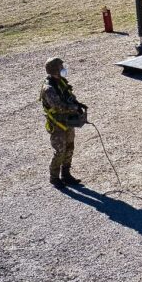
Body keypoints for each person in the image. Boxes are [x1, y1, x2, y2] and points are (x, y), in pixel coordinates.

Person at [40, 57, 87, 189]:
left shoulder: (61, 82)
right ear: (55, 70)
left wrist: (77, 104)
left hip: (68, 121)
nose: (63, 69)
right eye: (61, 67)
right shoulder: (48, 88)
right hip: (57, 124)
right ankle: (54, 177)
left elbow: (69, 96)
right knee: (59, 151)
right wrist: (74, 108)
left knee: (70, 147)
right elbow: (58, 105)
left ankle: (66, 174)